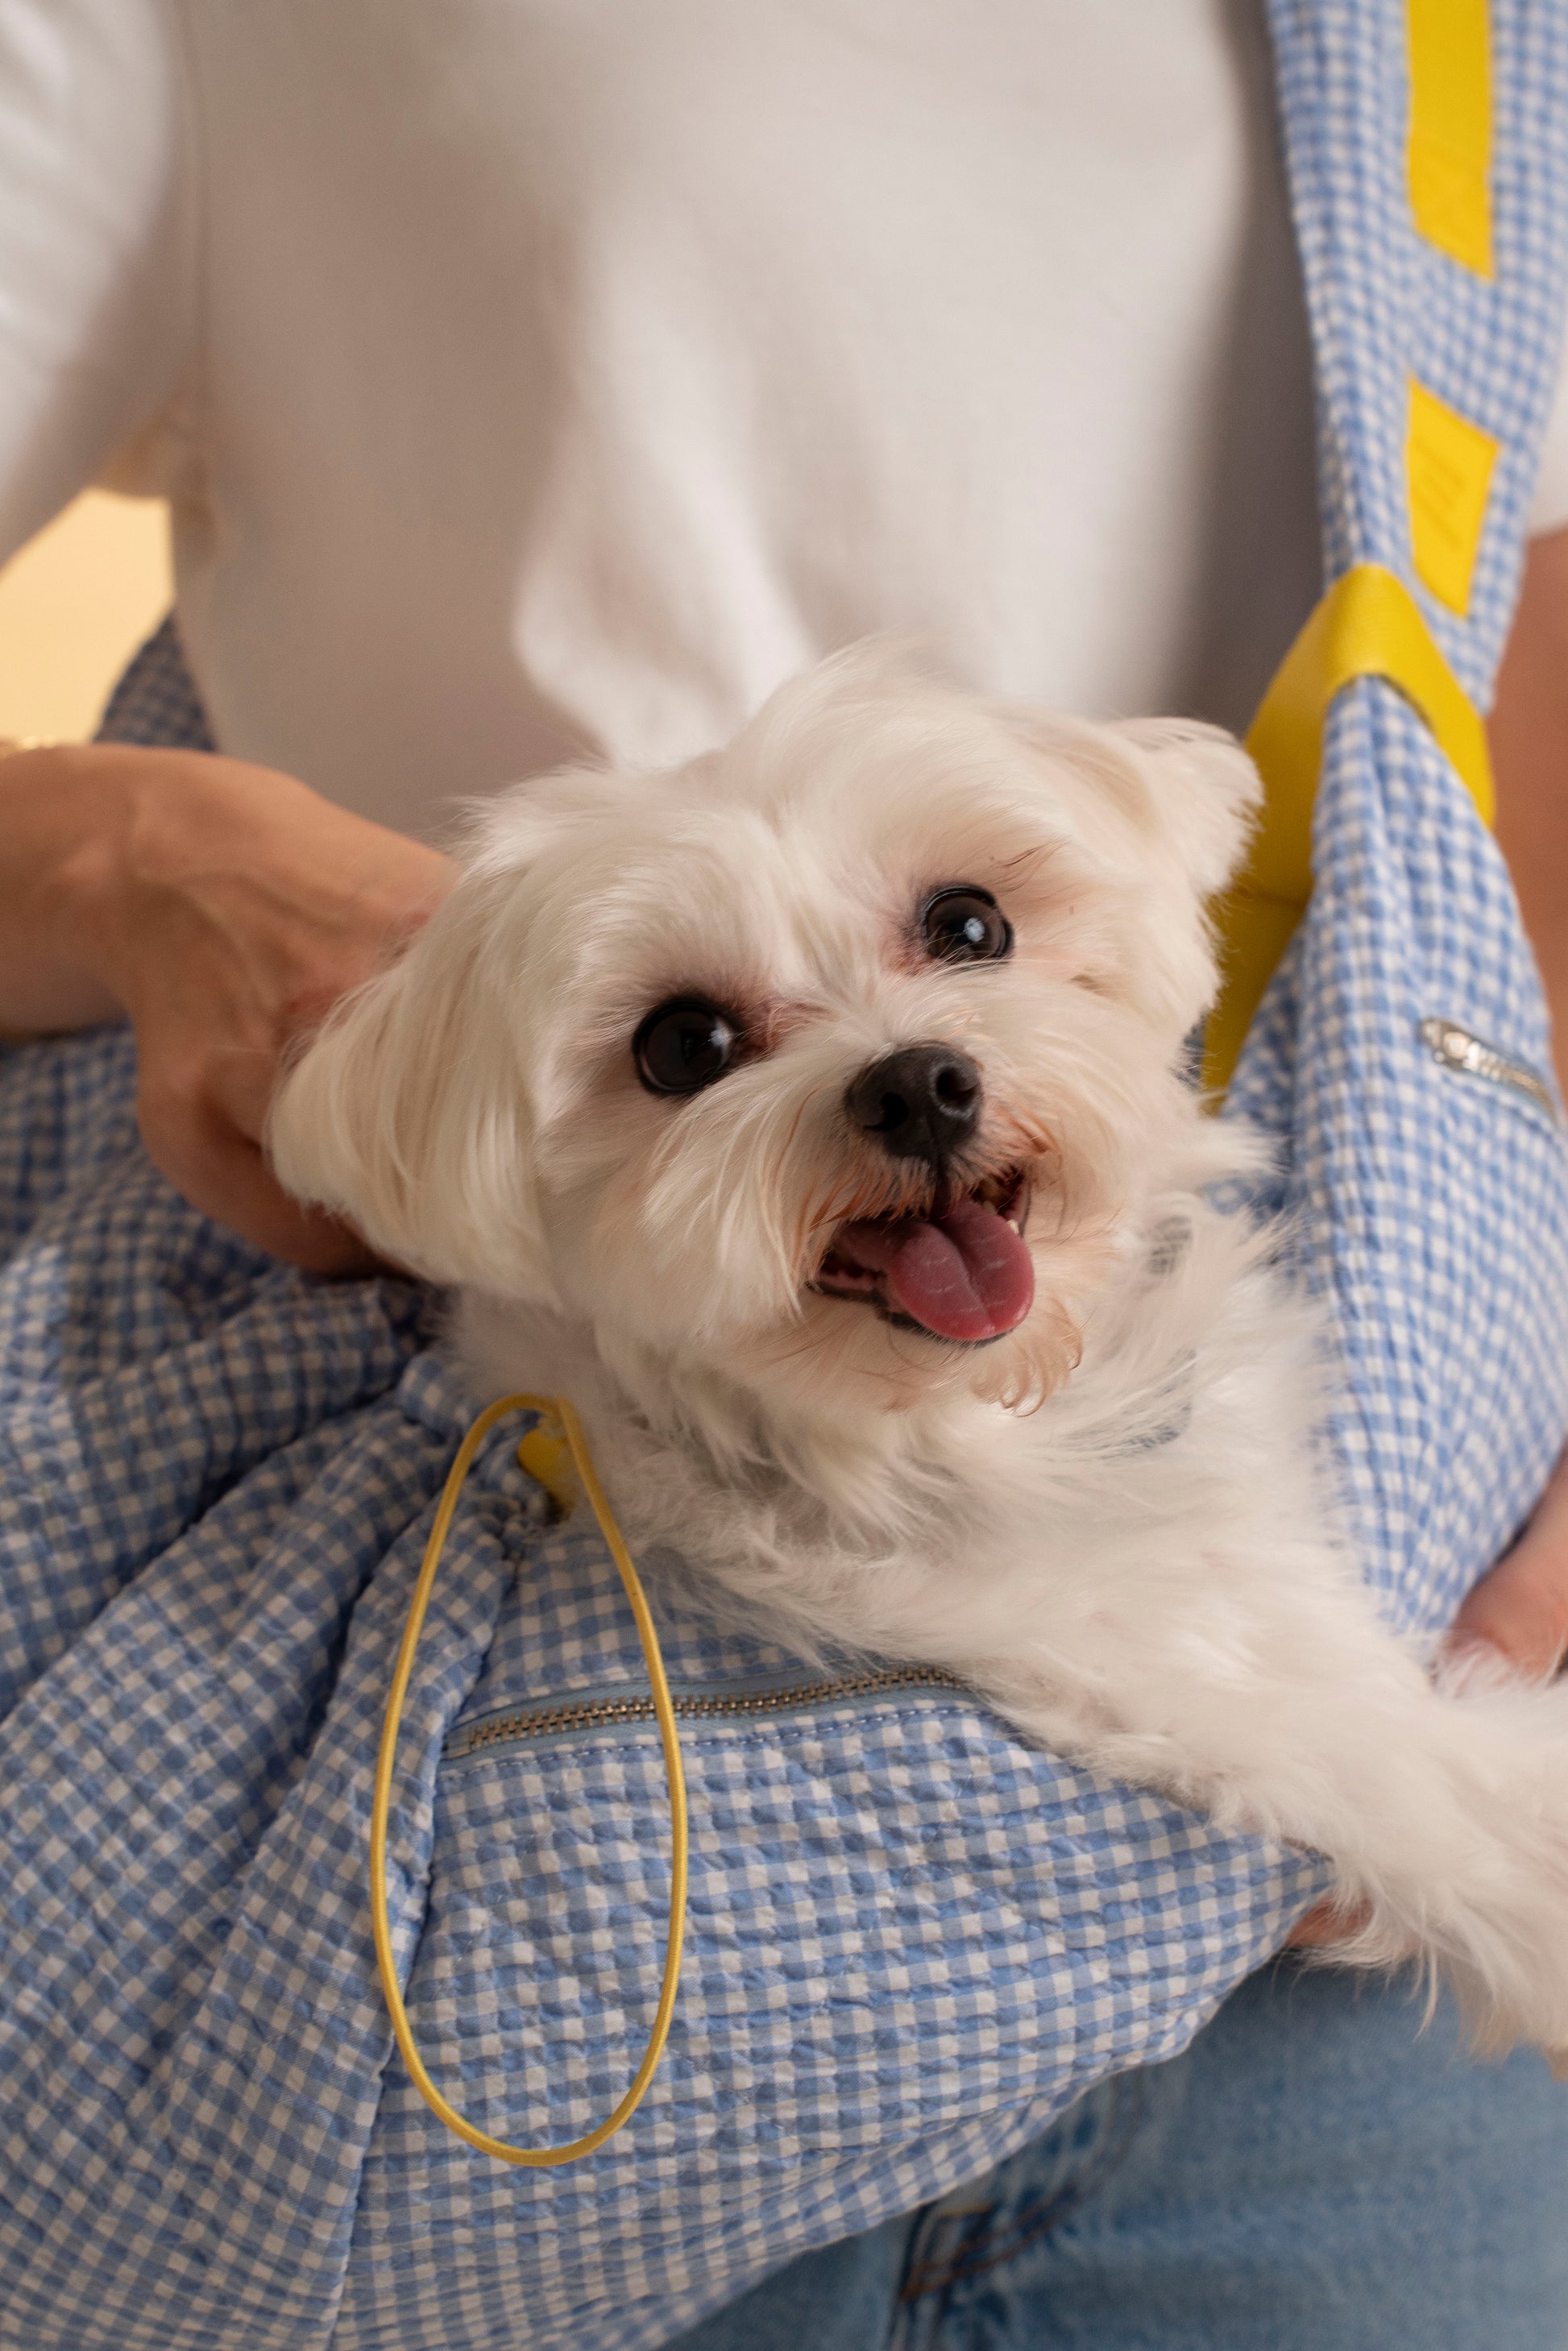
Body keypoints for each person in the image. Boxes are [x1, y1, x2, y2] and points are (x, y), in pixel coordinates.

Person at [2, 2, 1566, 2341]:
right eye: (692, 1038)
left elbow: (1501, 700)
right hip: (537, 1812)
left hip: (1362, 1865)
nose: (906, 1061)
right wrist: (137, 841)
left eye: (957, 935)